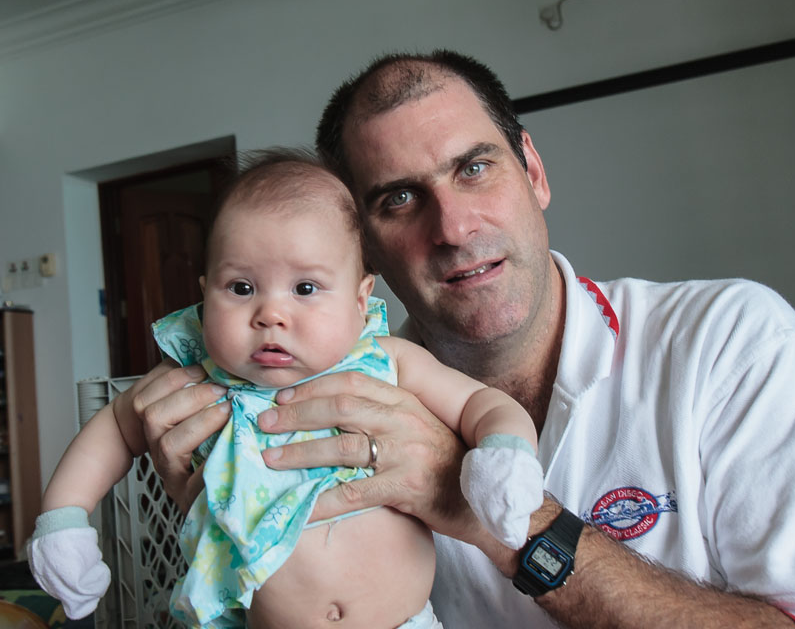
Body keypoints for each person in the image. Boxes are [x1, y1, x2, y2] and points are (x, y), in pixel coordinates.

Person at [120, 51, 795, 628]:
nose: (454, 227)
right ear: (359, 253)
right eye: (399, 199)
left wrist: (510, 523)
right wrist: (223, 516)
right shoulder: (311, 404)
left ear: (532, 171)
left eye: (474, 169)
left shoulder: (730, 340)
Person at [27, 149, 544, 628]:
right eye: (242, 288)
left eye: (305, 288)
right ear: (205, 296)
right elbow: (115, 428)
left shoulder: (384, 361)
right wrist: (63, 518)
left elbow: (481, 404)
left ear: (359, 299)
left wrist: (504, 451)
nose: (271, 314)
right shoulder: (199, 373)